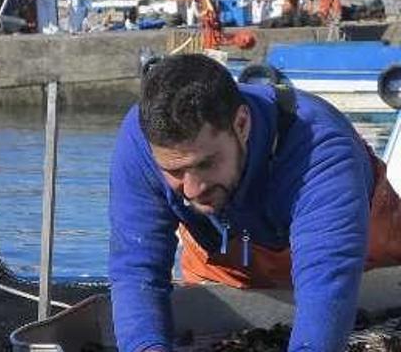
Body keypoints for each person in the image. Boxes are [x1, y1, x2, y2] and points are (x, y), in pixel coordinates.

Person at [109, 53, 401, 351]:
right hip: (229, 260)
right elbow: (136, 271)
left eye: (206, 164)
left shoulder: (321, 152)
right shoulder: (139, 141)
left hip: (359, 267)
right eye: (175, 172)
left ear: (242, 124)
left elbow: (326, 289)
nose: (193, 189)